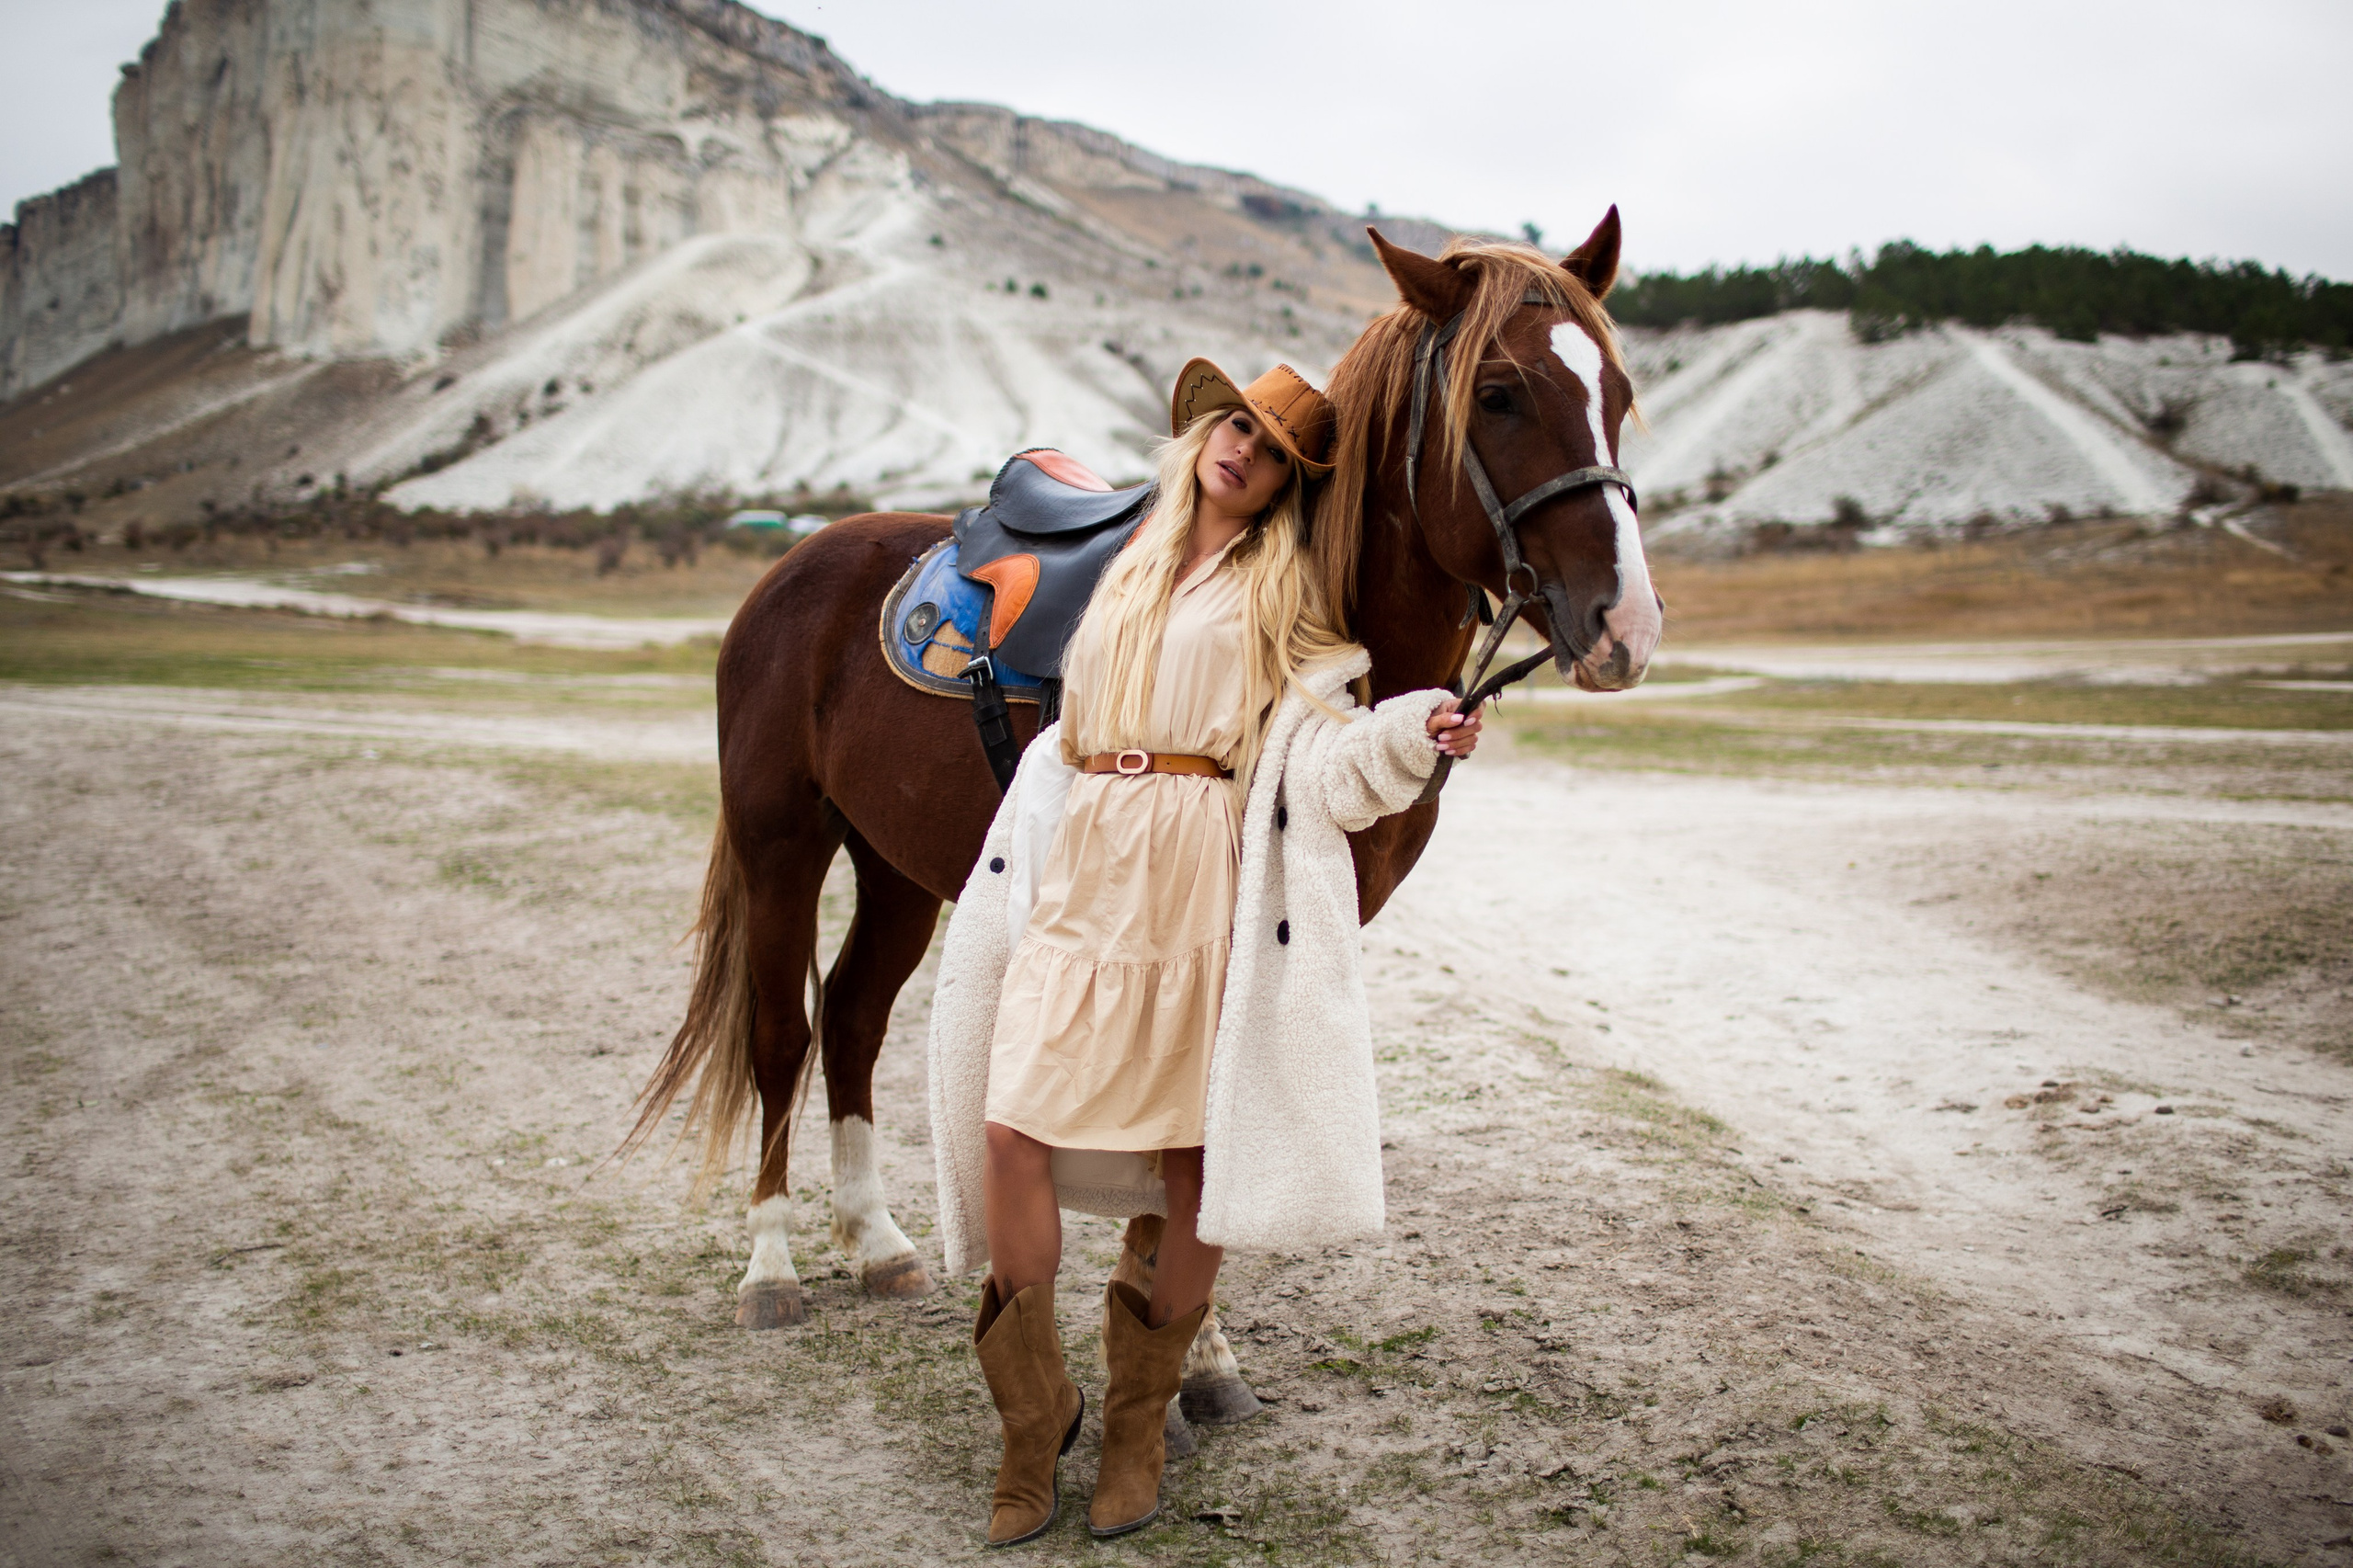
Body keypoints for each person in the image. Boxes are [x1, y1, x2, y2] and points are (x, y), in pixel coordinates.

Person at [926, 359, 1482, 1546]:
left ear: (1289, 486)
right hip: (1084, 865)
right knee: (1012, 1131)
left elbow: (1322, 758)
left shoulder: (1285, 592)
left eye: (1275, 450)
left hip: (1198, 879)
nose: (1247, 450)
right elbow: (1069, 733)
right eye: (1238, 426)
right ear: (1202, 436)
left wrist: (1411, 730)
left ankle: (1134, 1426)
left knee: (1191, 1166)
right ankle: (1034, 1422)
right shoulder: (1127, 569)